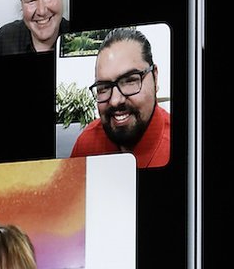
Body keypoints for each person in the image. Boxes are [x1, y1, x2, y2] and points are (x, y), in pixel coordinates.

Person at [70, 27, 170, 168]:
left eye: (130, 80)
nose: (115, 100)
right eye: (103, 87)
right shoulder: (86, 145)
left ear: (155, 77)